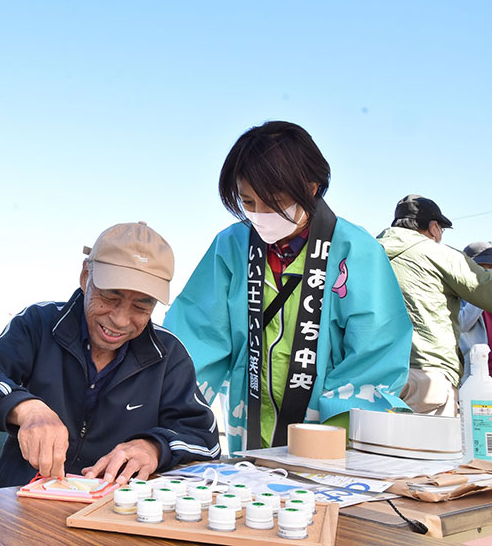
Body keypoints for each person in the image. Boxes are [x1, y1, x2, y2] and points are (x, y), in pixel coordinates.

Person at [165, 121, 413, 453]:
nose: (260, 214)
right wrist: (168, 415)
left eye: (275, 201)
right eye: (248, 202)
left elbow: (377, 351)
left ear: (311, 188)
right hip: (249, 434)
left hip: (329, 443)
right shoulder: (231, 247)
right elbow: (195, 337)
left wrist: (332, 438)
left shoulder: (356, 250)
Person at [0, 222, 220, 488]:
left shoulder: (168, 354)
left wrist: (154, 447)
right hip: (18, 503)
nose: (120, 320)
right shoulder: (39, 323)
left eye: (142, 305)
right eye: (110, 296)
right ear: (85, 276)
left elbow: (205, 440)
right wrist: (26, 409)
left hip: (117, 513)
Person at [377, 196, 492, 414]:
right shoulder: (440, 254)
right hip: (427, 375)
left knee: (374, 446)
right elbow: (487, 291)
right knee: (428, 447)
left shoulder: (369, 251)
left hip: (371, 376)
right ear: (433, 228)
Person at [459, 242, 492, 380]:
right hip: (476, 379)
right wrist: (480, 292)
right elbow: (462, 324)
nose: (488, 273)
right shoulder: (459, 295)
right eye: (483, 268)